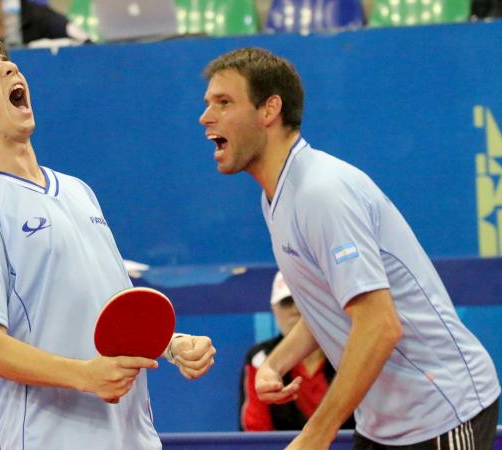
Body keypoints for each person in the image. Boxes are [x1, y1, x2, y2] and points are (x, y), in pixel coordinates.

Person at [0, 32, 215, 449]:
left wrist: (172, 343)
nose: (10, 67)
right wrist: (85, 376)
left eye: (6, 61)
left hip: (131, 436)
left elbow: (114, 311)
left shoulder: (76, 190)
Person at [200, 47, 499, 449]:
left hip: (440, 411)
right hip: (382, 424)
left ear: (269, 109)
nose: (206, 117)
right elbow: (330, 305)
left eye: (224, 102)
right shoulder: (277, 197)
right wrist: (277, 362)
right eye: (208, 103)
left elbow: (379, 325)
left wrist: (316, 433)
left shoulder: (321, 193)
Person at [240, 271, 355, 431]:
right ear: (274, 309)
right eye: (287, 302)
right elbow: (256, 431)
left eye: (304, 300)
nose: (297, 309)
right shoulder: (260, 358)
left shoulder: (351, 350)